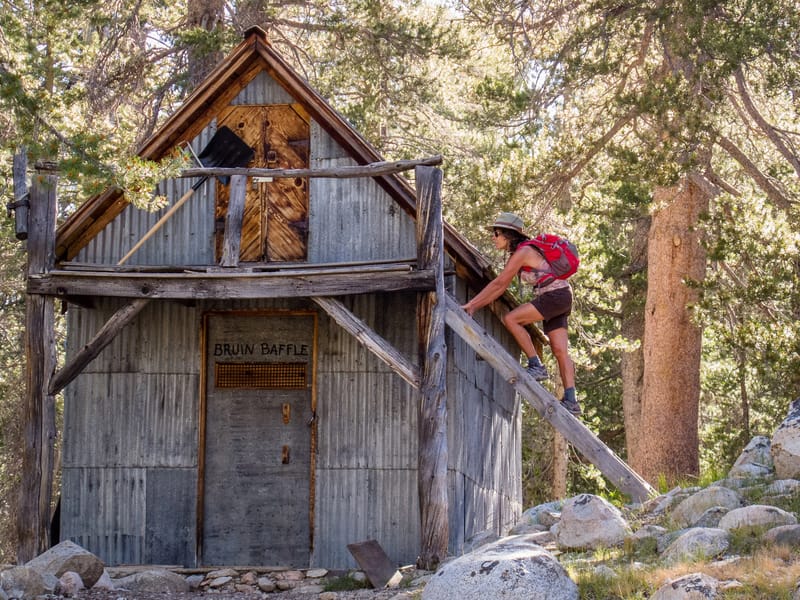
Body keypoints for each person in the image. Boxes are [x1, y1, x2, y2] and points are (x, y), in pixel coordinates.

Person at [461, 212, 581, 416]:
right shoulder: (524, 252)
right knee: (560, 350)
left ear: (508, 234)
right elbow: (500, 286)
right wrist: (476, 304)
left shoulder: (524, 252)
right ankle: (571, 400)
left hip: (554, 296)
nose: (493, 237)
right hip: (561, 296)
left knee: (511, 319)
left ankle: (536, 365)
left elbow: (500, 284)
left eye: (496, 233)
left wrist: (473, 305)